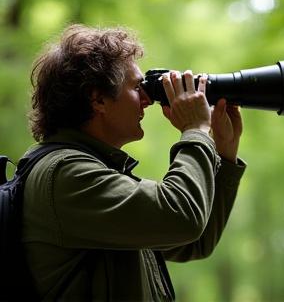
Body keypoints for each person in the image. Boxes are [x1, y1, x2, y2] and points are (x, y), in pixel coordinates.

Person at [22, 24, 246, 301]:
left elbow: (194, 242)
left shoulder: (95, 169)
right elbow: (182, 218)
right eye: (136, 87)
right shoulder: (66, 174)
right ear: (98, 99)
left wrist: (224, 152)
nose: (146, 100)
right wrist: (195, 130)